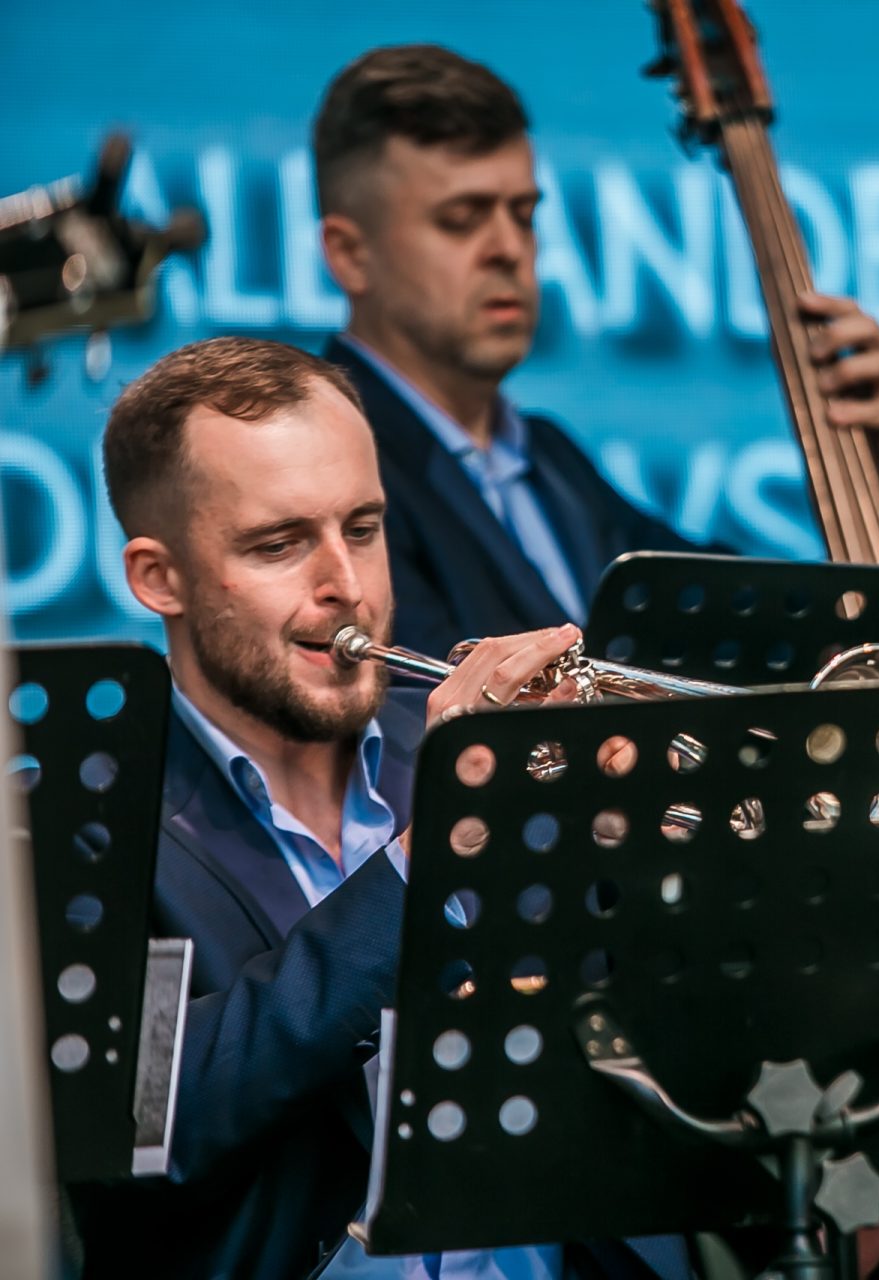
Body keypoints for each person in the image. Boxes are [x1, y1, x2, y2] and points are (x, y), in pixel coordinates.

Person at [78, 336, 691, 1280]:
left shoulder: (494, 753)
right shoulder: (91, 824)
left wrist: (652, 865)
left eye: (362, 529)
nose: (349, 587)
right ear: (159, 578)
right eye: (280, 544)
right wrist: (431, 858)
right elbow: (150, 1122)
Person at [310, 44, 879, 658]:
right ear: (350, 255)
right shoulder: (330, 474)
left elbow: (760, 630)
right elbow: (422, 708)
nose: (508, 248)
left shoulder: (548, 459)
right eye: (461, 219)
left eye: (524, 215)